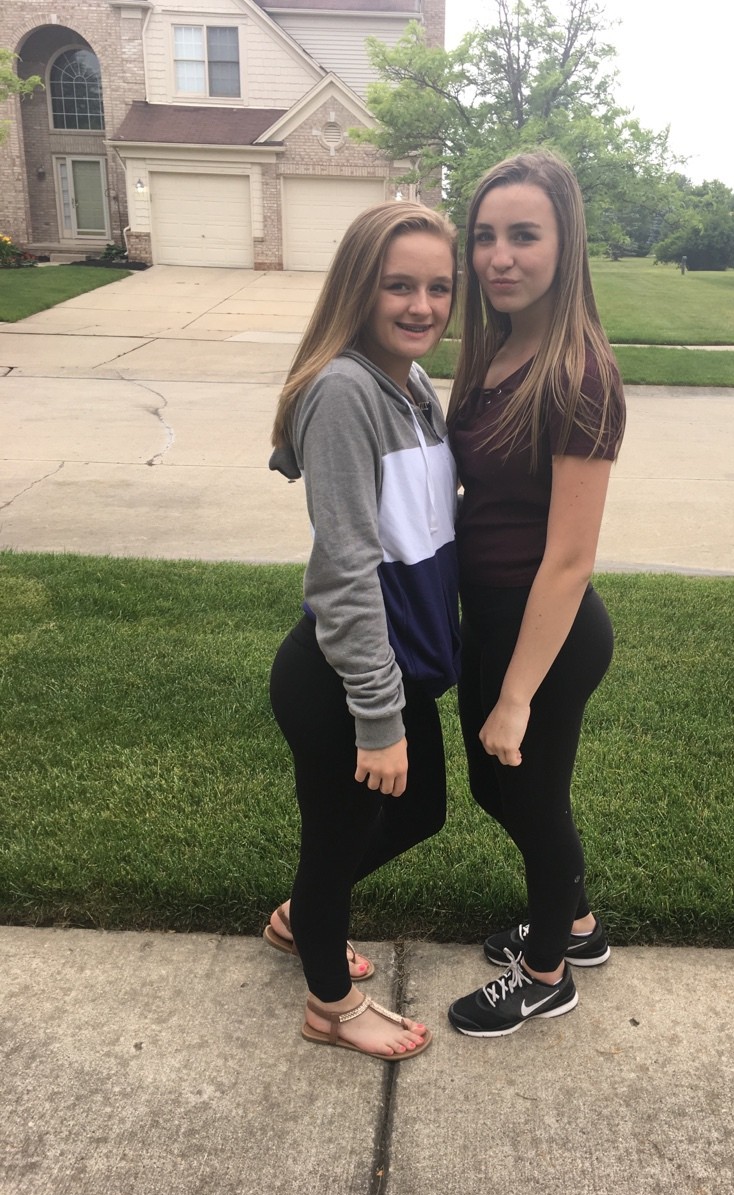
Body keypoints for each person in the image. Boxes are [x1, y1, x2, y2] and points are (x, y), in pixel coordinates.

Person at [266, 201, 461, 1060]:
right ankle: (330, 1003)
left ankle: (302, 918)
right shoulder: (346, 391)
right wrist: (377, 720)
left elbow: (424, 522)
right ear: (359, 288)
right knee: (339, 836)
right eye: (399, 286)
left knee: (419, 812)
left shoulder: (410, 383)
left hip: (397, 662)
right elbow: (345, 571)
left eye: (438, 288)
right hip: (343, 678)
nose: (422, 306)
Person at [445, 151, 627, 1037]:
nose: (499, 256)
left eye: (524, 235)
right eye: (485, 236)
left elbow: (570, 560)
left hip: (545, 632)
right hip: (489, 616)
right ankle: (576, 923)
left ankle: (549, 971)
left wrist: (516, 695)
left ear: (566, 244)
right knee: (496, 791)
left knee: (531, 799)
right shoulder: (497, 349)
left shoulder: (579, 375)